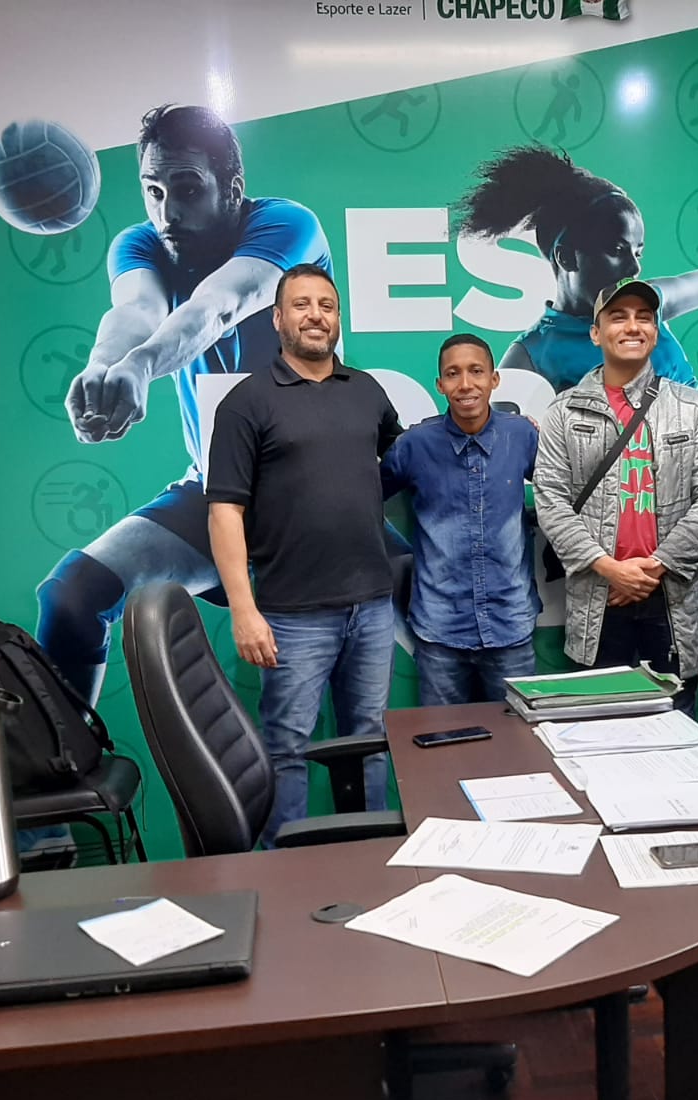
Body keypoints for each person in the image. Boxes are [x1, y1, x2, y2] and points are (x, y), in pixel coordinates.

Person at [35, 104, 333, 705]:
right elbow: (135, 312)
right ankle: (66, 757)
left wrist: (142, 365)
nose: (168, 212)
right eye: (154, 191)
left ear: (233, 190)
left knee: (426, 607)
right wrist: (103, 367)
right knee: (71, 596)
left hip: (319, 497)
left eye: (188, 189)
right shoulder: (143, 243)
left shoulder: (286, 225)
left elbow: (217, 306)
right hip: (217, 495)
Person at [206, 265, 403, 848]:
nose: (315, 315)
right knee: (288, 747)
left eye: (326, 305)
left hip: (372, 607)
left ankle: (372, 856)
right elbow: (224, 512)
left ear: (338, 318)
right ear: (277, 318)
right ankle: (283, 871)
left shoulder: (366, 391)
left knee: (370, 740)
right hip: (292, 616)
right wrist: (244, 610)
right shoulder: (246, 403)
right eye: (301, 305)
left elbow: (404, 456)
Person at [455, 145, 698, 393]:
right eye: (617, 249)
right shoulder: (531, 356)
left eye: (638, 251)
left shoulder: (649, 302)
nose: (633, 266)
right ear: (567, 257)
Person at [534, 279, 698, 714]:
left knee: (676, 726)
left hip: (671, 600)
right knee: (602, 729)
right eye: (618, 317)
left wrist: (654, 567)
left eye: (644, 317)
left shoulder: (693, 408)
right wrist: (610, 569)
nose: (632, 326)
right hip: (598, 599)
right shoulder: (565, 412)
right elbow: (551, 501)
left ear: (656, 332)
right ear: (595, 332)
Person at [381, 335, 540, 705]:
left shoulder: (521, 435)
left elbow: (562, 495)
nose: (466, 384)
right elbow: (363, 502)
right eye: (453, 374)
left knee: (519, 738)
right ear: (440, 384)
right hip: (440, 633)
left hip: (510, 626)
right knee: (444, 740)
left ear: (494, 379)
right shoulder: (414, 445)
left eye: (476, 371)